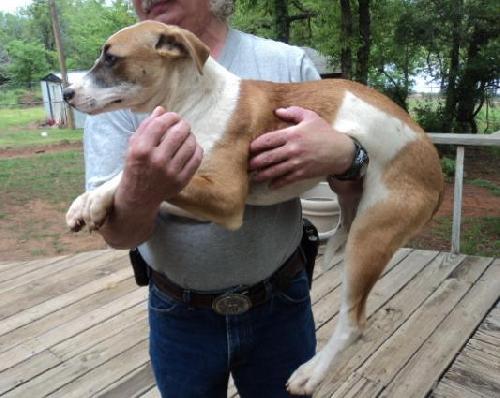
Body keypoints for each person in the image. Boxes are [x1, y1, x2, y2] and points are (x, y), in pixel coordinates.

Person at [84, 0, 358, 396]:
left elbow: (351, 194)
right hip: (179, 314)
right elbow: (118, 235)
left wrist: (349, 157)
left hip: (281, 303)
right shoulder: (119, 79)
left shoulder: (287, 64)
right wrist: (139, 185)